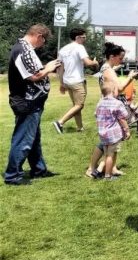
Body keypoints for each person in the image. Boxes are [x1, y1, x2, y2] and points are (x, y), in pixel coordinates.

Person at [5, 24, 61, 185]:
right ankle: (12, 175)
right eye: (44, 41)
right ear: (39, 36)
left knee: (34, 138)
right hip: (26, 102)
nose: (43, 45)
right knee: (23, 139)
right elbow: (33, 76)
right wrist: (49, 68)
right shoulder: (22, 50)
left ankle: (39, 169)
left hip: (32, 101)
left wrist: (45, 68)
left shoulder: (24, 49)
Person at [85, 42, 138, 178]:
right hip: (110, 107)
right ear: (112, 56)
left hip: (109, 105)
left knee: (115, 138)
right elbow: (120, 88)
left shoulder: (107, 68)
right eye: (120, 58)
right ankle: (92, 168)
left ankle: (112, 167)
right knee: (107, 140)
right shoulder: (108, 70)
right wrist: (130, 76)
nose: (121, 61)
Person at [53, 27, 99, 133]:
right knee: (79, 105)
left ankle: (80, 127)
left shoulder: (63, 49)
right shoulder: (79, 47)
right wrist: (95, 62)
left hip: (67, 81)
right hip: (77, 81)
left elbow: (60, 68)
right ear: (77, 37)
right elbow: (88, 63)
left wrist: (61, 83)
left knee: (76, 105)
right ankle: (60, 122)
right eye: (84, 37)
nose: (85, 39)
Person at [95, 79, 132, 180]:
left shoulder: (100, 103)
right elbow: (123, 118)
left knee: (107, 153)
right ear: (113, 91)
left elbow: (96, 115)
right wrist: (127, 130)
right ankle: (108, 175)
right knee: (110, 155)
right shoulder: (117, 103)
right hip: (113, 134)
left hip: (102, 133)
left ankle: (102, 171)